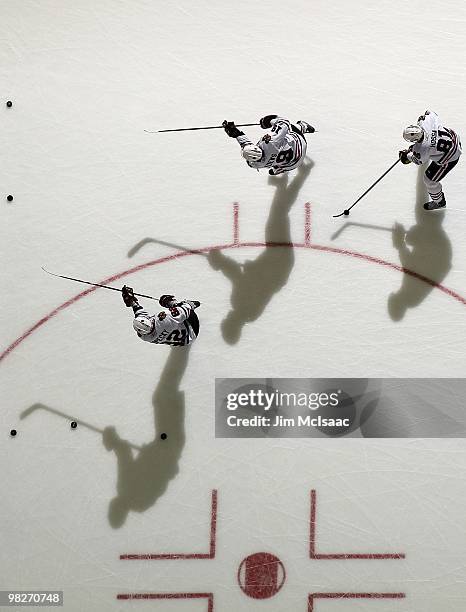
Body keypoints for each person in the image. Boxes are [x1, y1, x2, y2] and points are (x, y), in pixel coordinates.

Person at [399, 110, 461, 210]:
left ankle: (439, 202)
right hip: (454, 138)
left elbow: (418, 160)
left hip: (451, 156)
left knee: (429, 180)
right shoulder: (426, 122)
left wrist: (407, 156)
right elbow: (431, 112)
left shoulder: (422, 149)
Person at [223, 114, 315, 175]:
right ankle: (304, 126)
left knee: (277, 166)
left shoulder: (255, 164)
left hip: (294, 164)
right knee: (290, 127)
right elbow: (284, 123)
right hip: (300, 144)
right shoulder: (271, 141)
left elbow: (246, 145)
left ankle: (277, 170)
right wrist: (268, 121)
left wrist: (235, 133)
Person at [121, 285, 200, 346]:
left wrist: (132, 302)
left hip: (184, 342)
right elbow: (187, 309)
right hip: (192, 328)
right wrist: (170, 303)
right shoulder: (164, 319)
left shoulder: (143, 336)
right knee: (181, 307)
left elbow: (140, 314)